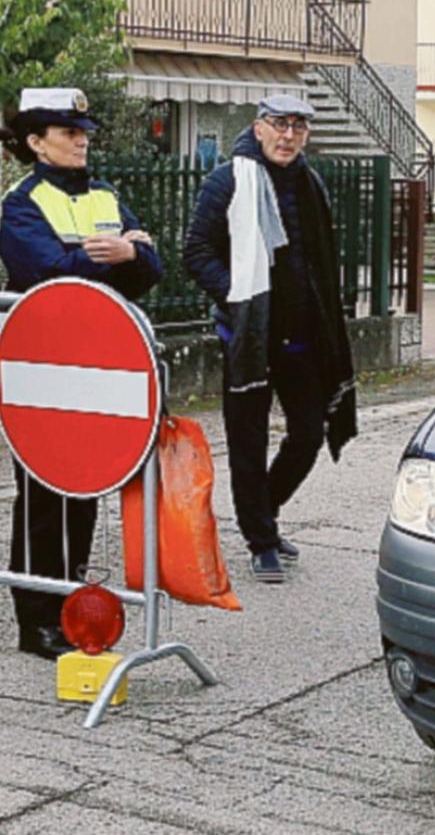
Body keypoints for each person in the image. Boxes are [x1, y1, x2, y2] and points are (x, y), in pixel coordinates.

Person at [0, 87, 163, 659]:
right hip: (41, 367)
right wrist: (109, 254)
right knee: (43, 497)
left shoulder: (105, 195)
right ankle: (36, 619)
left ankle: (68, 604)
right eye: (69, 132)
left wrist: (131, 255)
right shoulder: (23, 202)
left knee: (85, 486)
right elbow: (45, 274)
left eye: (84, 131)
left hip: (97, 363)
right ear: (36, 142)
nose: (82, 140)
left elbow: (151, 269)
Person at [182, 94, 358, 584]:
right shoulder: (228, 181)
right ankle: (261, 540)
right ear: (258, 127)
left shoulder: (309, 183)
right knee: (248, 441)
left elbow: (320, 256)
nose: (288, 135)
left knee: (309, 434)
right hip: (248, 336)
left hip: (302, 336)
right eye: (279, 124)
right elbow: (196, 253)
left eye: (298, 127)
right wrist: (240, 297)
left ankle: (264, 510)